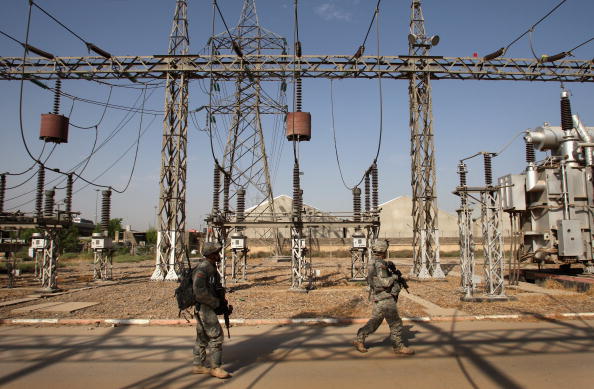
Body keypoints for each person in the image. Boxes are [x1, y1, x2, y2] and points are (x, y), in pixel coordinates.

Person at [353, 240, 415, 356]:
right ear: (383, 251)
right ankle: (398, 347)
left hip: (378, 296)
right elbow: (385, 282)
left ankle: (359, 339)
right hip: (385, 298)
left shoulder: (372, 262)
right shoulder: (379, 264)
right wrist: (395, 277)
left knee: (374, 322)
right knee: (396, 323)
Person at [191, 241, 231, 379]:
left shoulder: (211, 267)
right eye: (216, 253)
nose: (218, 255)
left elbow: (214, 288)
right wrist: (215, 303)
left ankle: (198, 365)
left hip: (206, 306)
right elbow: (199, 291)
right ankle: (215, 367)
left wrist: (222, 302)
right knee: (216, 336)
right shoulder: (203, 268)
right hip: (204, 307)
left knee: (202, 337)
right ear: (210, 254)